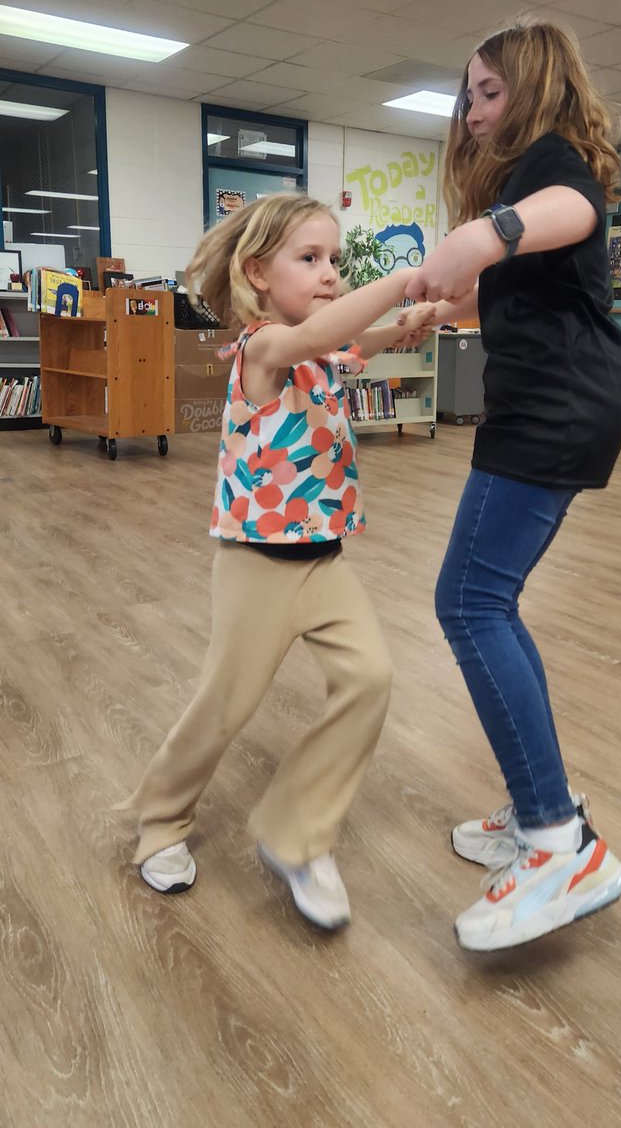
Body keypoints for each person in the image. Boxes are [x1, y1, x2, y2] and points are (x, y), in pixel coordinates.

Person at [116, 193, 435, 930]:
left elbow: (353, 345)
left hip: (325, 564)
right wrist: (408, 283)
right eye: (310, 259)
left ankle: (297, 836)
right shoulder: (262, 349)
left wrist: (405, 326)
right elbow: (326, 330)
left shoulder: (319, 350)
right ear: (257, 272)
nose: (330, 273)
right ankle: (160, 824)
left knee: (371, 678)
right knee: (224, 706)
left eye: (335, 260)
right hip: (258, 567)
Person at [405, 19, 621, 952]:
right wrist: (427, 307)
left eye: (488, 91)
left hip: (550, 414)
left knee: (467, 601)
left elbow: (573, 214)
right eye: (467, 94)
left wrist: (486, 230)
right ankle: (549, 808)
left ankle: (556, 848)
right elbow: (500, 291)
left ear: (536, 90)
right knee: (491, 601)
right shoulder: (523, 183)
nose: (471, 111)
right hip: (548, 411)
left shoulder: (554, 166)